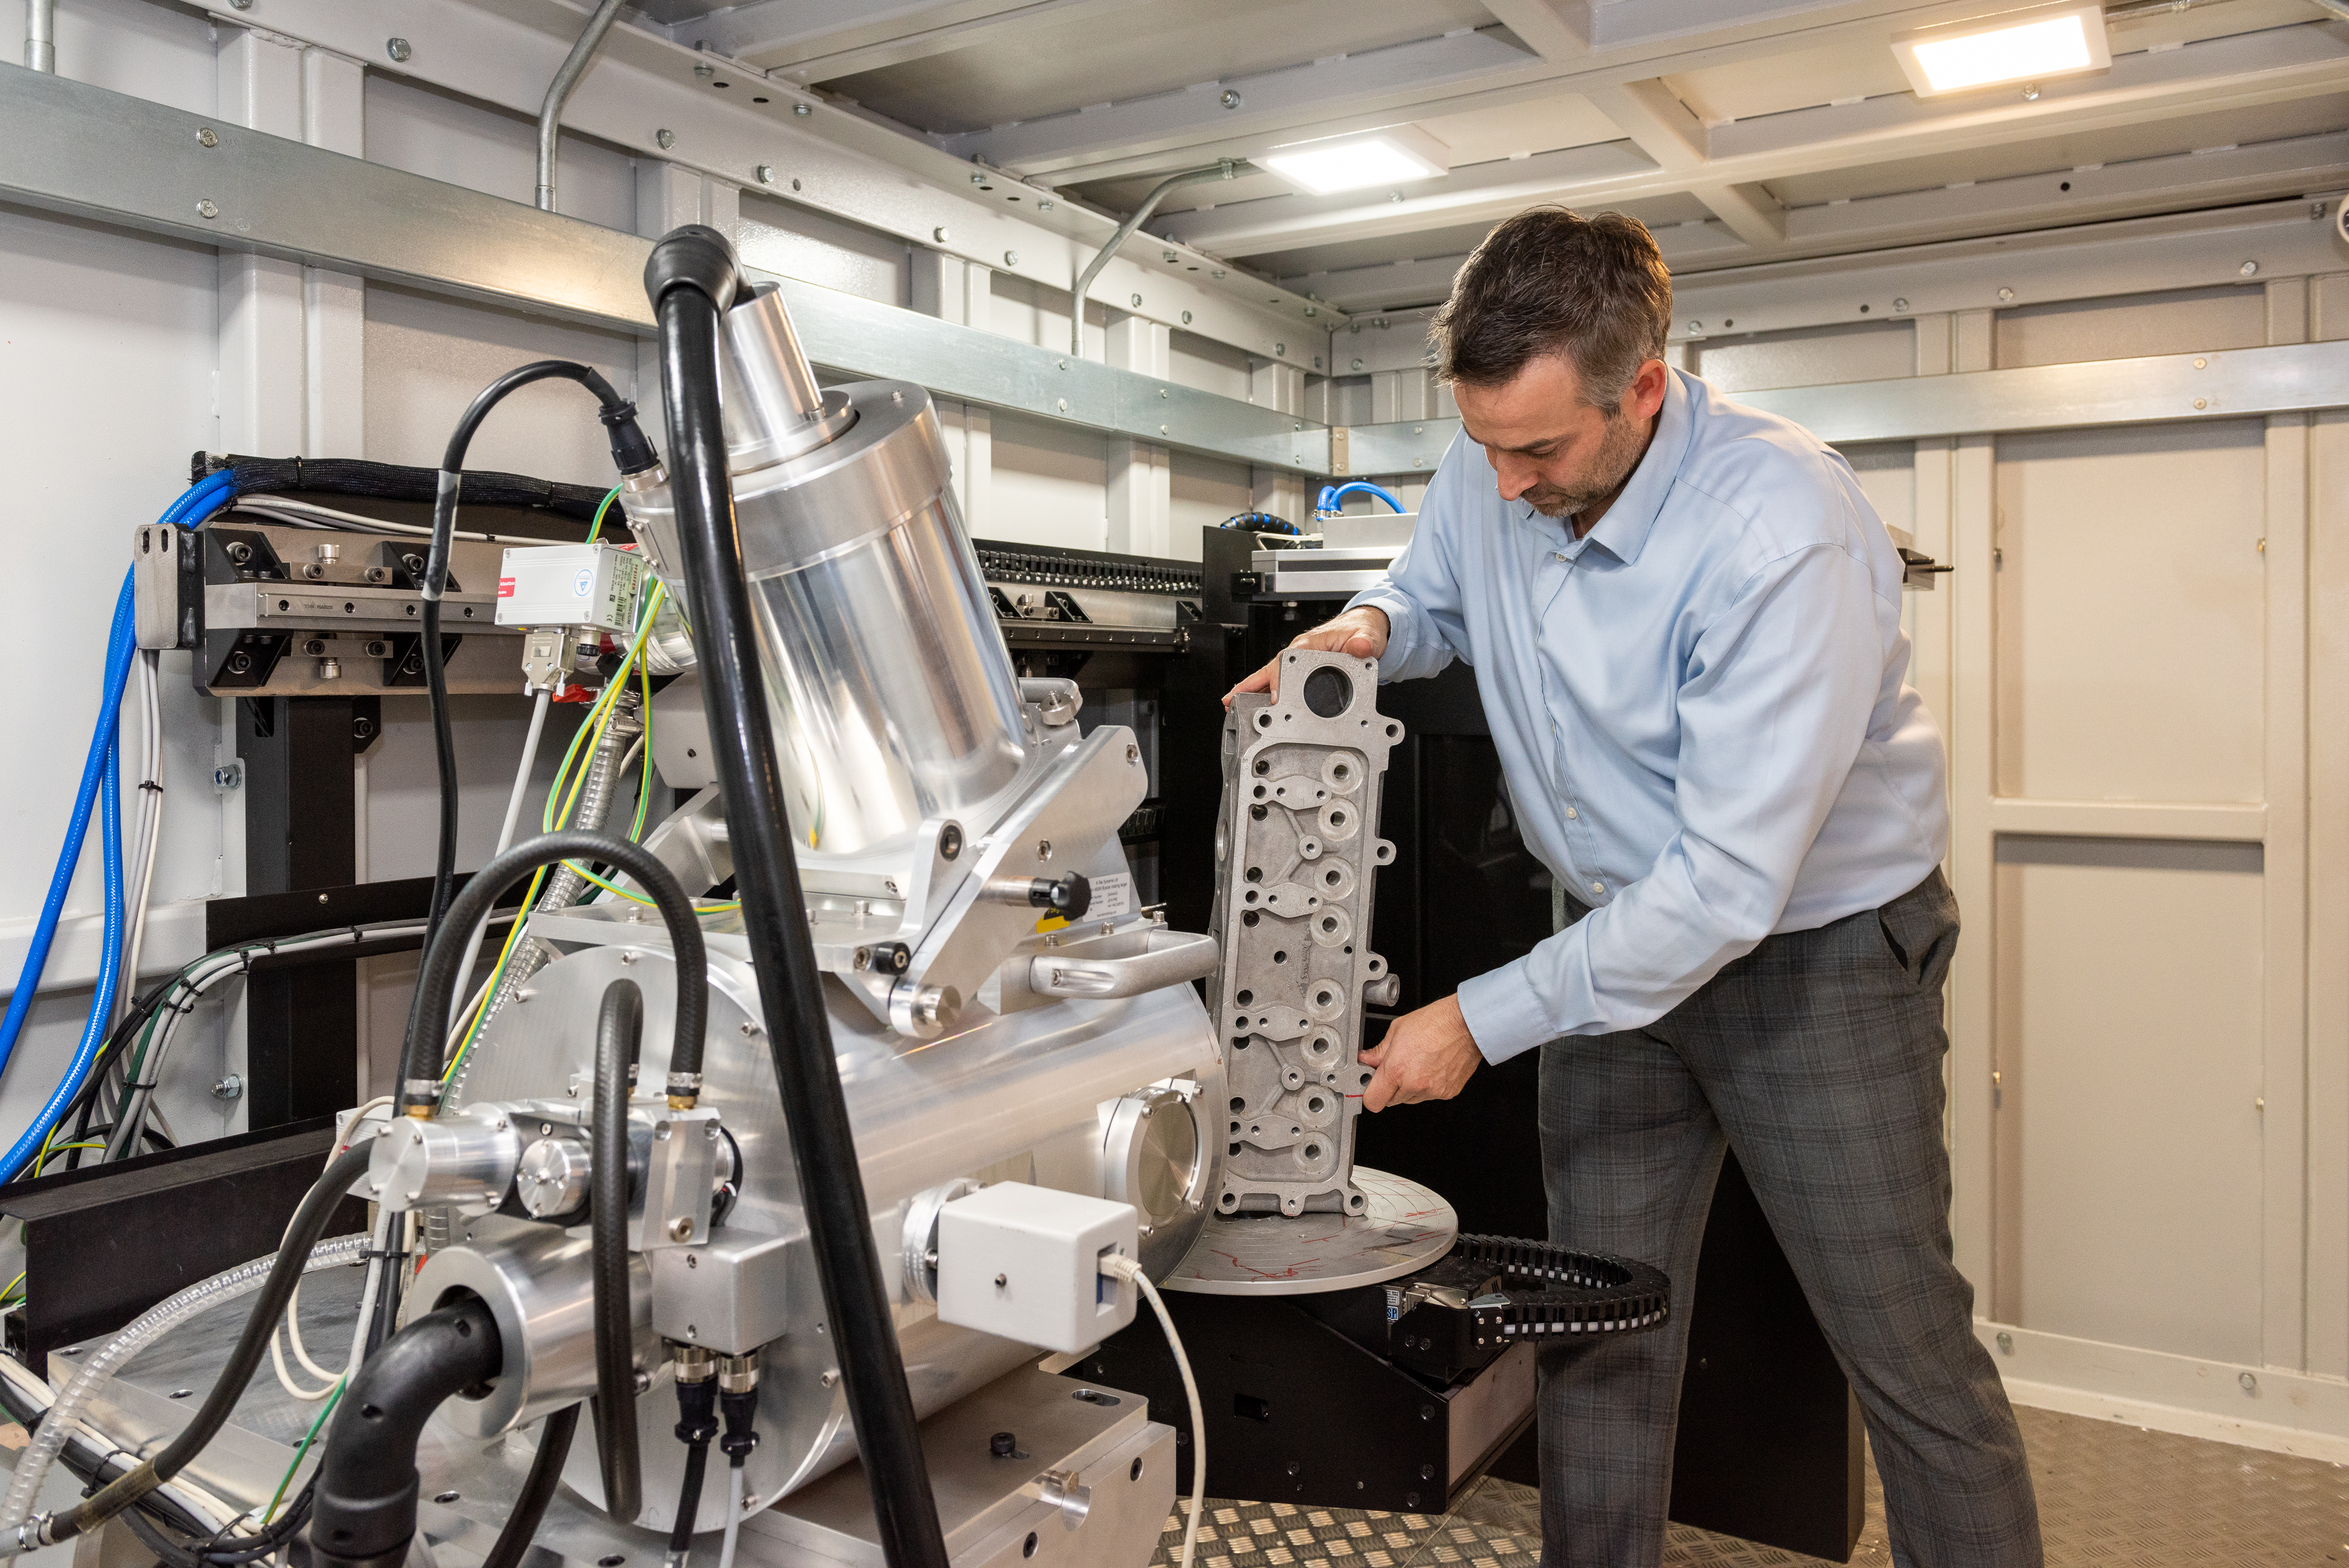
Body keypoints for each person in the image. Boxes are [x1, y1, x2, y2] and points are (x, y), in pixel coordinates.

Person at [1226, 207, 2041, 1568]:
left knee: (1898, 1343)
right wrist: (1367, 625)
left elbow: (1726, 885)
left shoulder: (1784, 531)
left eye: (1537, 451)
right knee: (1595, 1325)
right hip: (1608, 948)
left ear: (1643, 388)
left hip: (1811, 959)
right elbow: (1434, 591)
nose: (1502, 482)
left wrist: (1476, 1020)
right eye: (1482, 446)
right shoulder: (1497, 455)